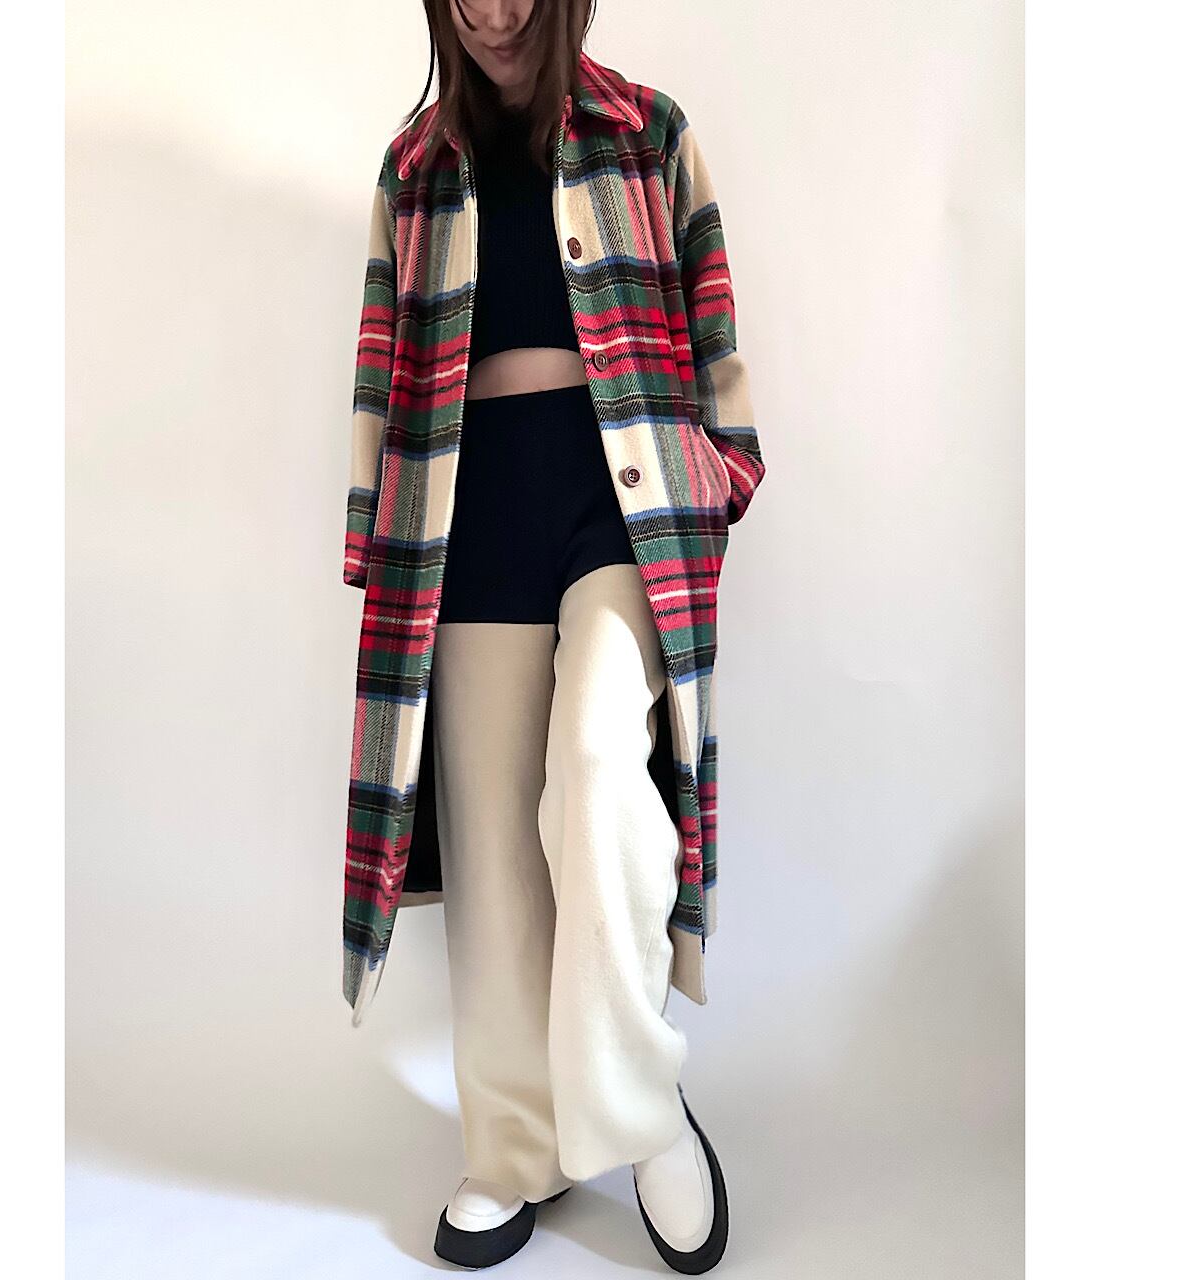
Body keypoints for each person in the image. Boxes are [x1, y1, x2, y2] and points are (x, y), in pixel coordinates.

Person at [342, 1, 766, 1271]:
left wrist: (720, 474)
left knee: (594, 767)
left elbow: (714, 340)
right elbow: (378, 375)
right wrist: (374, 539)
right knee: (490, 857)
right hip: (467, 515)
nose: (493, 10)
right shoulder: (412, 171)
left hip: (612, 506)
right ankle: (512, 1146)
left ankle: (640, 1110)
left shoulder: (649, 134)